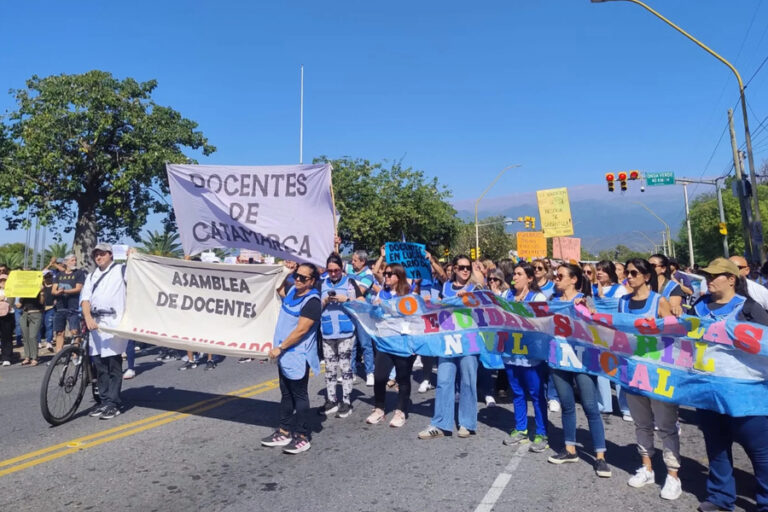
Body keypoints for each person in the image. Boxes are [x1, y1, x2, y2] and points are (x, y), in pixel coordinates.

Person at [689, 258, 768, 512]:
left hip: (745, 394)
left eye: (715, 276)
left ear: (732, 279)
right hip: (707, 390)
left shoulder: (749, 309)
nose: (709, 280)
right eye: (707, 276)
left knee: (759, 450)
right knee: (716, 445)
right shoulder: (698, 307)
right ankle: (720, 498)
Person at [619, 258, 682, 500]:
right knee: (641, 424)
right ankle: (646, 468)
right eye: (627, 272)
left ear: (647, 276)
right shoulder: (623, 303)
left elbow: (673, 336)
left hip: (658, 374)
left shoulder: (659, 301)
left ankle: (673, 475)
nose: (629, 276)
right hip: (632, 372)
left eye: (634, 272)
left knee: (666, 426)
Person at [547, 263, 611, 478]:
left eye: (560, 275)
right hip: (558, 359)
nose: (556, 278)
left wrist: (588, 310)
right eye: (555, 275)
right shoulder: (552, 302)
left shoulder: (585, 299)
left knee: (591, 407)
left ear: (573, 279)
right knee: (566, 405)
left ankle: (600, 456)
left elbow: (597, 322)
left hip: (582, 361)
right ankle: (570, 449)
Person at [418, 255, 484, 440]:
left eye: (468, 267)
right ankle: (440, 423)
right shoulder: (446, 287)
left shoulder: (475, 288)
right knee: (444, 381)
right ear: (454, 269)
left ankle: (467, 422)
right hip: (447, 341)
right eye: (461, 267)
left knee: (468, 381)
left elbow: (484, 308)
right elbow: (436, 309)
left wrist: (470, 298)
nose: (465, 270)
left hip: (469, 341)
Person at [261, 263, 321, 454]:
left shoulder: (312, 301)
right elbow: (278, 287)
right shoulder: (293, 291)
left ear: (311, 281)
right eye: (296, 275)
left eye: (303, 277)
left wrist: (281, 347)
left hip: (297, 355)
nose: (298, 279)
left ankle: (302, 436)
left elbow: (301, 330)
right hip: (285, 355)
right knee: (286, 394)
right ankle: (284, 431)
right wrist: (284, 269)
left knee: (299, 395)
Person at [502, 262, 549, 453]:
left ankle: (542, 433)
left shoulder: (538, 297)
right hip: (510, 350)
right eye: (514, 273)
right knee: (518, 392)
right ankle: (521, 428)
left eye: (519, 274)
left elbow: (542, 322)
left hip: (531, 354)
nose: (515, 277)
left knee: (536, 394)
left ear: (529, 278)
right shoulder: (506, 295)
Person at [366, 263, 417, 428]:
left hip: (402, 343)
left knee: (403, 378)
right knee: (380, 377)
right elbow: (374, 316)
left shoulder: (408, 294)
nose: (386, 277)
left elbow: (413, 315)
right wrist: (376, 306)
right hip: (385, 342)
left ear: (398, 277)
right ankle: (379, 408)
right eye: (385, 274)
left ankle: (401, 410)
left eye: (389, 274)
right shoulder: (382, 293)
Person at [81, 243, 129, 420]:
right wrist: (87, 318)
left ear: (110, 254)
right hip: (95, 324)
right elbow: (85, 299)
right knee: (99, 365)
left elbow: (140, 276)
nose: (98, 257)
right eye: (96, 255)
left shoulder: (122, 270)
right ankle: (104, 400)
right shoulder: (92, 275)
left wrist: (134, 256)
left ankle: (114, 402)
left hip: (113, 323)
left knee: (113, 364)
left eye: (102, 254)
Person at [319, 254, 356, 419]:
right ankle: (331, 399)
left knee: (345, 367)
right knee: (330, 368)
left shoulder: (349, 283)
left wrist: (346, 299)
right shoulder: (322, 284)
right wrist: (325, 301)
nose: (333, 273)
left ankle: (346, 401)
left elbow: (360, 303)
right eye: (330, 271)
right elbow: (314, 306)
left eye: (336, 270)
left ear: (342, 269)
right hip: (327, 331)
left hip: (345, 331)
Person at [593, 260, 631, 420]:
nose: (599, 273)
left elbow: (619, 310)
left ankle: (626, 408)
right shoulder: (591, 289)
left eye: (603, 270)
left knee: (620, 371)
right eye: (598, 270)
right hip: (597, 334)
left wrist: (601, 298)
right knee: (601, 370)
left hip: (616, 335)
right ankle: (604, 405)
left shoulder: (619, 289)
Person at [346, 250, 376, 386]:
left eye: (355, 260)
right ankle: (351, 372)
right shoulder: (351, 270)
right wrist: (337, 244)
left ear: (363, 262)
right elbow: (337, 262)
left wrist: (349, 283)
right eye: (352, 260)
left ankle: (370, 372)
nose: (352, 262)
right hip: (350, 312)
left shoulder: (368, 274)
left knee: (365, 344)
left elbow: (361, 291)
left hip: (363, 314)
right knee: (350, 344)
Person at [52, 253, 86, 353]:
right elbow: (53, 290)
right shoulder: (59, 275)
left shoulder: (78, 273)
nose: (74, 262)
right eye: (72, 260)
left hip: (73, 306)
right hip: (60, 307)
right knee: (59, 332)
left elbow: (78, 288)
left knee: (74, 331)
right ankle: (58, 354)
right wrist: (57, 292)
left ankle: (76, 353)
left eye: (75, 260)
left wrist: (64, 291)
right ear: (65, 262)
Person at [17, 277, 44, 367]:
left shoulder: (38, 288)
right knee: (25, 336)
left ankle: (34, 357)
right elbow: (19, 304)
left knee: (33, 336)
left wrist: (42, 292)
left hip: (36, 314)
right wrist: (21, 296)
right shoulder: (24, 289)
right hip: (25, 314)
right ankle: (27, 356)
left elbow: (42, 302)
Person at [0, 273, 14, 366]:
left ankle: (7, 357)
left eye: (5, 280)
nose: (3, 282)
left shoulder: (12, 291)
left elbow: (12, 302)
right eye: (1, 280)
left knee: (7, 337)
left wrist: (4, 299)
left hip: (8, 316)